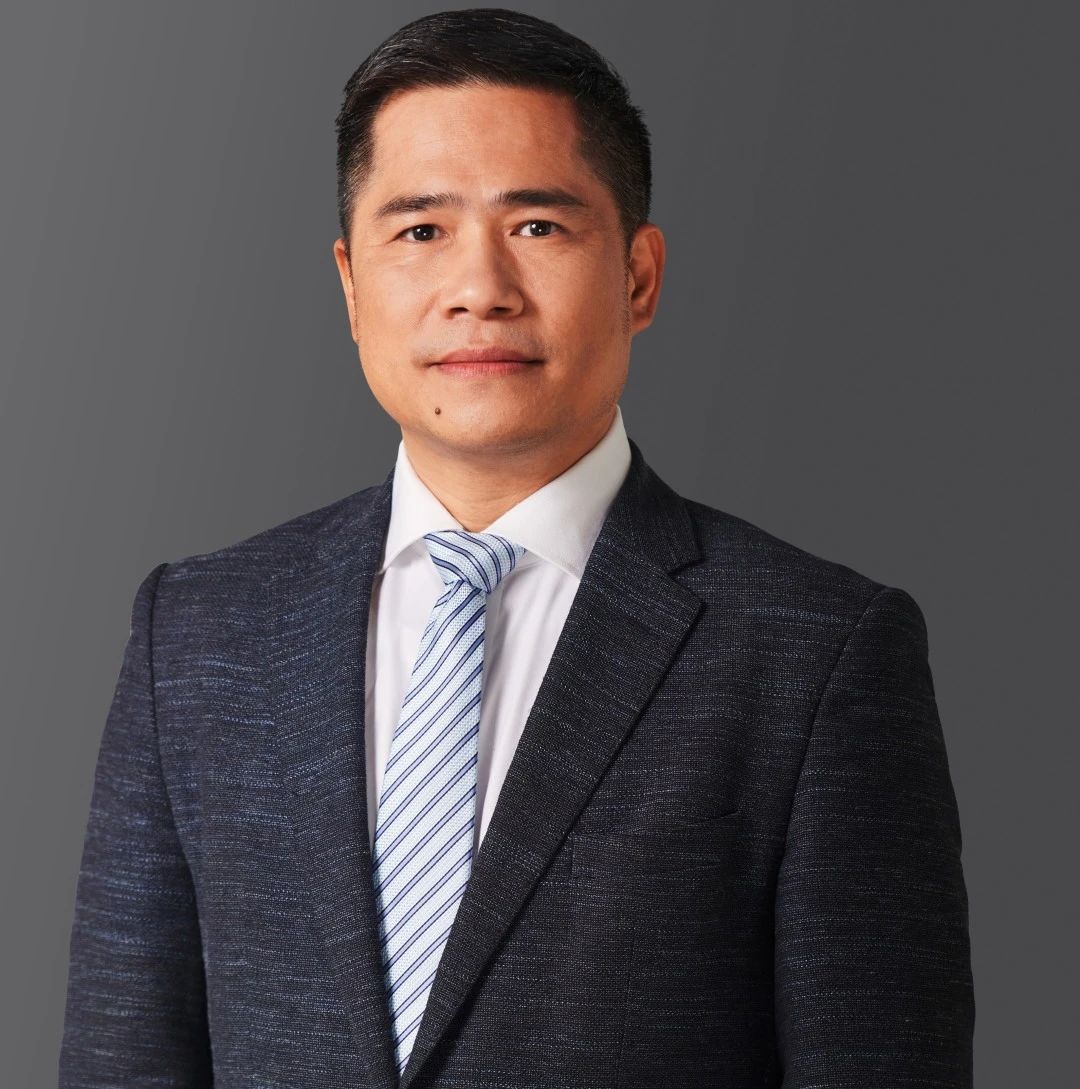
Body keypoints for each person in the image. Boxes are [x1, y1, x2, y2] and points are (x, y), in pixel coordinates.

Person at [58, 8, 974, 1087]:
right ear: (352, 284)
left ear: (638, 275)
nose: (479, 288)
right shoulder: (200, 631)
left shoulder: (817, 654)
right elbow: (122, 1060)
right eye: (420, 231)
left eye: (537, 226)